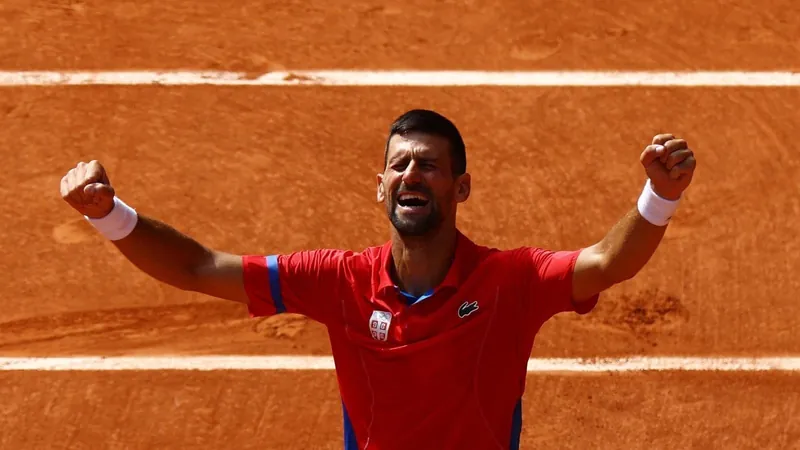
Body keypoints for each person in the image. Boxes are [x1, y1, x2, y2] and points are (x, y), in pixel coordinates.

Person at [59, 109, 696, 450]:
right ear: (381, 186)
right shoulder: (337, 280)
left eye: (429, 165)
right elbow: (199, 267)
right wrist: (109, 214)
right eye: (399, 165)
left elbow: (607, 263)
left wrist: (659, 196)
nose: (411, 174)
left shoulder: (509, 279)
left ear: (461, 186)